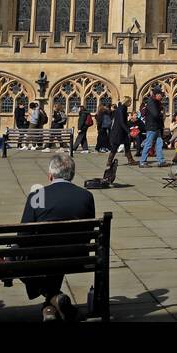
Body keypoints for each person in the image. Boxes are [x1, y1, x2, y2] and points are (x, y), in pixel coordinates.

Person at [19, 150, 96, 321]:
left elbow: (23, 234)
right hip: (77, 255)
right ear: (72, 175)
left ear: (50, 175)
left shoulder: (37, 195)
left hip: (43, 256)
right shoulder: (85, 195)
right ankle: (51, 305)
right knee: (58, 252)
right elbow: (90, 231)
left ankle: (52, 298)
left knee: (12, 260)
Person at [139, 90, 166, 167]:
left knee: (159, 144)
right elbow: (155, 114)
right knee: (148, 144)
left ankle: (161, 161)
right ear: (156, 94)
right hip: (152, 127)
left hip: (157, 126)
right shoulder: (151, 102)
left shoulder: (156, 102)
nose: (162, 96)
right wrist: (161, 114)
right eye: (161, 95)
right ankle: (142, 161)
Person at [107, 98, 135, 164]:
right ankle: (109, 161)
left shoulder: (123, 108)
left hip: (122, 131)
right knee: (115, 146)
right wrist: (128, 131)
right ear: (126, 102)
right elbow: (122, 122)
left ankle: (130, 160)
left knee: (127, 144)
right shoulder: (121, 109)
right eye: (130, 102)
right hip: (119, 131)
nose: (130, 103)